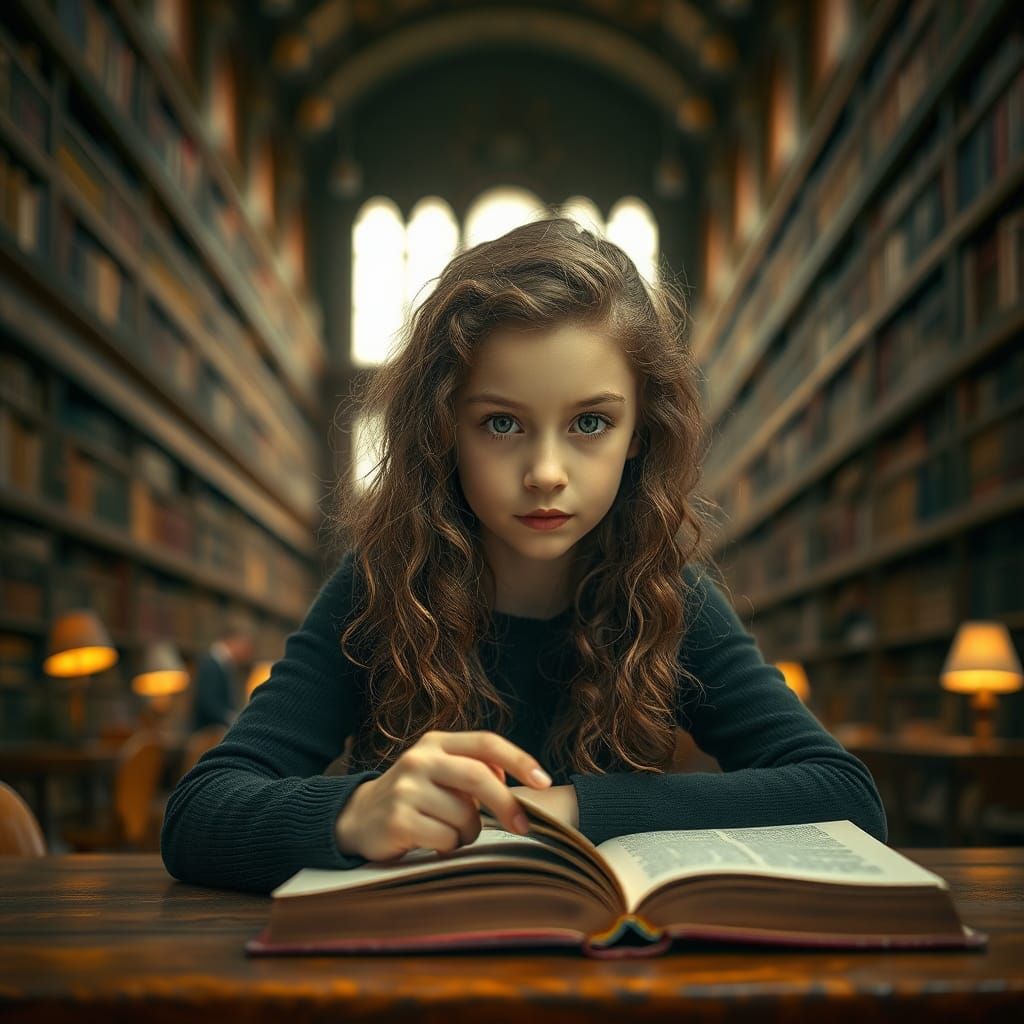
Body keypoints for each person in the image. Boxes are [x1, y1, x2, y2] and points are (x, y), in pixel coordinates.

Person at [161, 217, 886, 894]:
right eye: (502, 423)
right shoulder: (379, 589)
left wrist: (566, 811)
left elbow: (846, 795)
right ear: (445, 428)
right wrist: (354, 813)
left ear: (640, 432)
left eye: (590, 422)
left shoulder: (670, 596)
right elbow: (199, 811)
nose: (545, 471)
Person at [190, 616, 255, 731]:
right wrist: (233, 719)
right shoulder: (211, 664)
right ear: (233, 640)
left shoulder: (223, 664)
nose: (247, 654)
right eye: (245, 647)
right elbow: (209, 704)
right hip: (206, 735)